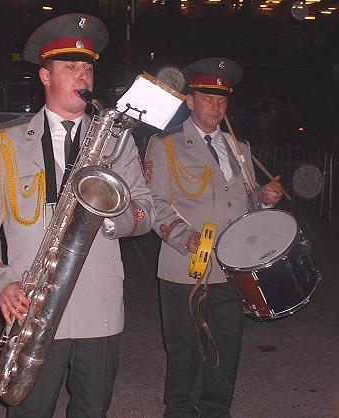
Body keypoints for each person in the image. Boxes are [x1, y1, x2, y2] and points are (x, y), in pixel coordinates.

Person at [0, 13, 154, 418]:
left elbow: (145, 210)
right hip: (32, 307)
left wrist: (109, 217)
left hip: (100, 309)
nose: (82, 76)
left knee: (92, 410)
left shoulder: (117, 144)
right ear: (45, 76)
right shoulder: (4, 141)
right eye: (70, 67)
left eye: (87, 68)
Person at [144, 57, 283, 417]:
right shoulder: (165, 145)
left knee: (225, 348)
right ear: (189, 101)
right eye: (207, 98)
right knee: (185, 349)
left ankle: (216, 411)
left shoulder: (240, 147)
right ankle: (179, 411)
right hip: (185, 267)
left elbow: (246, 200)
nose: (216, 106)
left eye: (222, 100)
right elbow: (154, 202)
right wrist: (186, 238)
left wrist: (264, 199)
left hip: (233, 269)